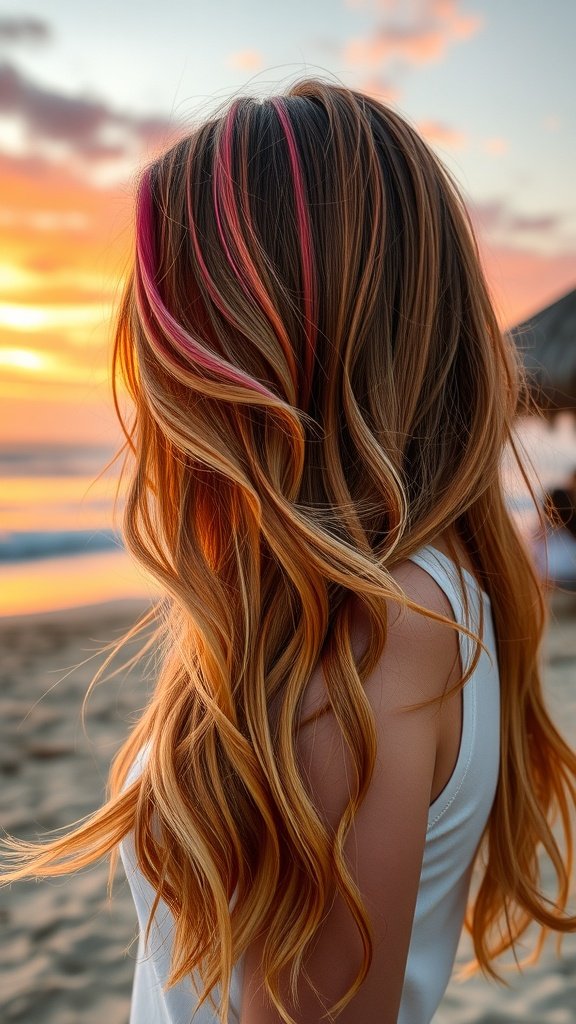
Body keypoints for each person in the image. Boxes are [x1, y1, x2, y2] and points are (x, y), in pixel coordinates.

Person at [2, 77, 576, 1024]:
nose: (153, 359)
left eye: (178, 311)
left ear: (266, 335)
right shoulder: (432, 588)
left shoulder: (365, 629)